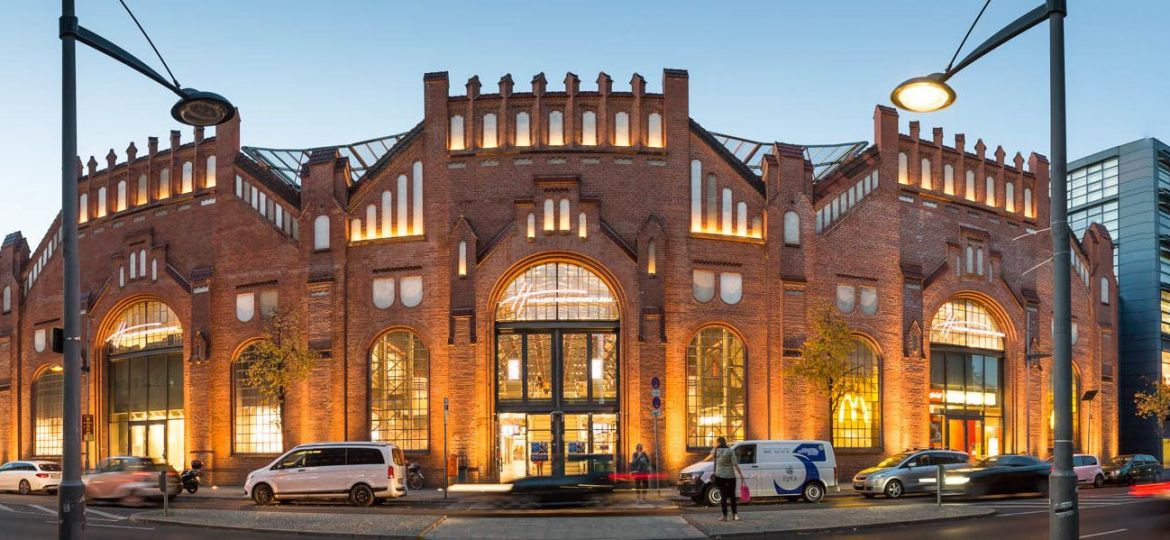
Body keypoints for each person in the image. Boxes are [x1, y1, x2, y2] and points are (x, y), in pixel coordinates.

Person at [709, 436, 743, 521]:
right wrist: (741, 474)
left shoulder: (715, 451)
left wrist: (716, 447)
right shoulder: (730, 451)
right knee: (732, 496)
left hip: (720, 476)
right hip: (731, 476)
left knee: (723, 496)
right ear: (725, 442)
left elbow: (711, 453)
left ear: (718, 443)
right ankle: (735, 515)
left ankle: (725, 516)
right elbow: (735, 464)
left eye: (716, 442)